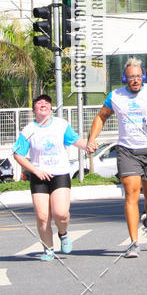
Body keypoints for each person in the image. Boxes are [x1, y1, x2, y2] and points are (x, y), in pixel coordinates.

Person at [87, 57, 147, 258]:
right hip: (127, 150)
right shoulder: (115, 96)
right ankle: (134, 243)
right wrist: (91, 139)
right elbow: (101, 117)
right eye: (131, 77)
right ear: (125, 78)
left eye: (138, 76)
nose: (135, 80)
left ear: (143, 77)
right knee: (131, 194)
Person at [12, 94, 89, 260]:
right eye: (39, 103)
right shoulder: (28, 130)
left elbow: (75, 141)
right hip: (39, 176)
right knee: (42, 216)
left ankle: (63, 233)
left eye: (46, 102)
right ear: (34, 110)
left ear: (51, 108)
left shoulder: (61, 125)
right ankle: (48, 249)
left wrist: (88, 145)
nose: (43, 105)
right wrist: (35, 170)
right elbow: (17, 154)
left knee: (60, 213)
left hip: (59, 173)